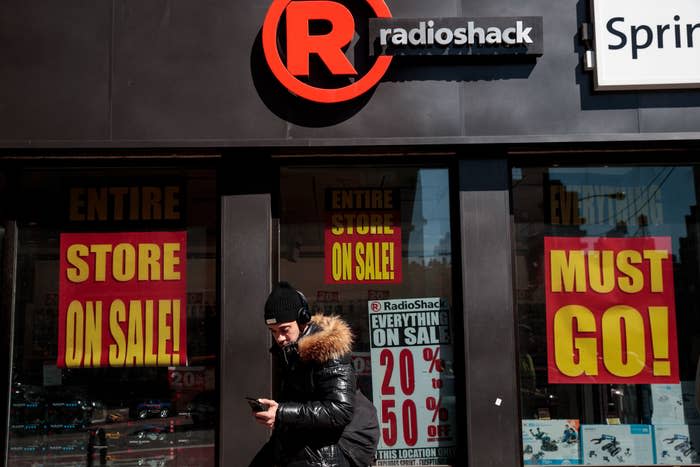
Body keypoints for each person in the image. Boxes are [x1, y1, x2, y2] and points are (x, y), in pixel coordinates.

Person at [249, 281, 379, 467]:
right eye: (273, 331)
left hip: (344, 441)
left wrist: (282, 413)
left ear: (302, 321)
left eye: (285, 330)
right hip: (315, 434)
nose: (279, 338)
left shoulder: (329, 349)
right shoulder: (288, 352)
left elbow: (340, 410)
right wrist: (276, 415)